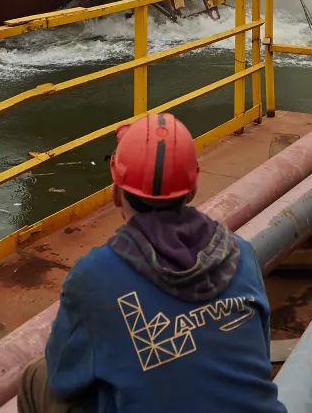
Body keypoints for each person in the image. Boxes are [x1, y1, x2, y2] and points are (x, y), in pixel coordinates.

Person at [18, 112, 286, 413]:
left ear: (116, 192)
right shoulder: (240, 252)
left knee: (36, 378)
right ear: (193, 188)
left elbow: (62, 378)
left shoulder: (95, 276)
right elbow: (259, 356)